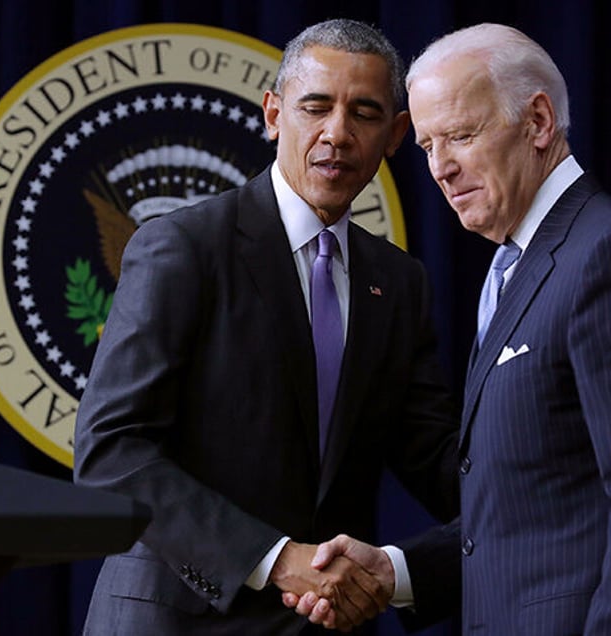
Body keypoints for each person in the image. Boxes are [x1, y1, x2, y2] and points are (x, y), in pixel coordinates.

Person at [73, 18, 459, 635]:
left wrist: (541, 496)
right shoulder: (183, 247)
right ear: (274, 113)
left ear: (395, 135)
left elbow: (437, 458)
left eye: (363, 113)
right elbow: (111, 452)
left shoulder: (399, 283)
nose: (337, 132)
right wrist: (277, 561)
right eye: (315, 107)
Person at [297, 22, 611, 634]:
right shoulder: (515, 265)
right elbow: (532, 509)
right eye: (427, 146)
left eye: (461, 136)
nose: (440, 168)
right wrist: (396, 572)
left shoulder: (597, 255)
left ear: (539, 123)